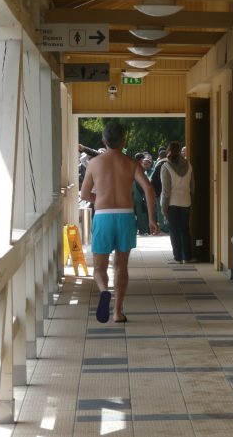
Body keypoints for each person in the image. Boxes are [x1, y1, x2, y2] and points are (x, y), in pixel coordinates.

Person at [81, 123, 159, 323]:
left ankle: (104, 291)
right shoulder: (131, 163)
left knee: (99, 268)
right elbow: (148, 189)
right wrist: (151, 219)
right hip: (125, 216)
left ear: (103, 141)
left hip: (103, 215)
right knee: (121, 266)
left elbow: (84, 194)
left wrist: (99, 199)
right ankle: (117, 312)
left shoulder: (95, 163)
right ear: (123, 141)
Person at [160, 141, 194, 263]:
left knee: (174, 230)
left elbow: (166, 190)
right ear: (179, 151)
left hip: (172, 203)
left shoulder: (166, 167)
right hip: (186, 201)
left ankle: (178, 257)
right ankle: (187, 257)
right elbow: (192, 186)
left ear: (168, 150)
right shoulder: (189, 165)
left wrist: (164, 207)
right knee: (185, 230)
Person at [150, 148, 169, 233]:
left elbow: (152, 179)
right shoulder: (170, 164)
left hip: (158, 192)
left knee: (160, 210)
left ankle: (163, 226)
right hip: (169, 191)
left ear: (159, 156)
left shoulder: (158, 165)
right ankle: (168, 226)